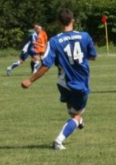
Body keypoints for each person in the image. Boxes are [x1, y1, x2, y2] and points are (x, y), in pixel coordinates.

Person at [21, 9, 97, 151]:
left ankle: (77, 121)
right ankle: (59, 140)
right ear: (73, 21)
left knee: (72, 109)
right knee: (77, 115)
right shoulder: (85, 36)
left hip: (63, 83)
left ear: (59, 23)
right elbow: (93, 56)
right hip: (80, 82)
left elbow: (46, 65)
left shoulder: (54, 41)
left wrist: (30, 80)